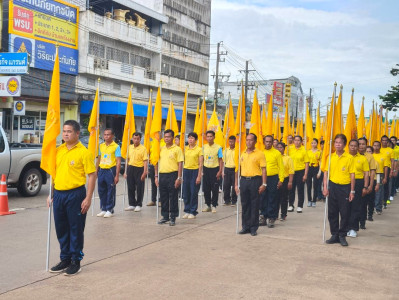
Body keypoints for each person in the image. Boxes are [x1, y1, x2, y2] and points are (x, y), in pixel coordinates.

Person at [48, 120, 96, 275]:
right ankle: (65, 259)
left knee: (75, 228)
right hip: (59, 194)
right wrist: (51, 193)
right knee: (61, 228)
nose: (66, 134)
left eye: (69, 131)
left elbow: (92, 175)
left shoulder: (84, 152)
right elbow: (53, 174)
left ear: (77, 133)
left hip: (76, 194)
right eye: (64, 131)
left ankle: (76, 260)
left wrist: (88, 198)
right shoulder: (58, 151)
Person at [323, 134, 355, 247]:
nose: (337, 144)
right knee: (332, 212)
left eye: (340, 142)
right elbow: (326, 173)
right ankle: (334, 234)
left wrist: (352, 191)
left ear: (344, 144)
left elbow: (352, 175)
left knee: (345, 212)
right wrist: (325, 187)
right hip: (333, 186)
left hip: (345, 187)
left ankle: (342, 235)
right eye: (336, 142)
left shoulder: (349, 158)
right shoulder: (330, 157)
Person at [235, 133, 267, 236]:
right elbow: (238, 170)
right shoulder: (243, 153)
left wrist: (264, 184)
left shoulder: (260, 154)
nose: (248, 142)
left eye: (251, 140)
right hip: (244, 180)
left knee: (254, 204)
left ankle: (253, 227)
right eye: (247, 140)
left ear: (255, 141)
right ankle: (245, 226)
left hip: (255, 180)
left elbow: (263, 170)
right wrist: (236, 184)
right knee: (245, 204)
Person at [155, 129, 183, 226]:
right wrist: (156, 176)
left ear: (173, 138)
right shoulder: (161, 149)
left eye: (168, 137)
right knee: (163, 197)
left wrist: (179, 177)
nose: (166, 138)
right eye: (165, 137)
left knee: (173, 196)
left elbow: (180, 163)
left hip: (173, 174)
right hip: (162, 174)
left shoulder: (177, 149)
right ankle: (165, 216)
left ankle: (173, 217)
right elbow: (156, 162)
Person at [95, 128, 121, 218]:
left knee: (110, 190)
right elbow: (99, 158)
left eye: (108, 134)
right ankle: (103, 208)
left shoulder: (116, 146)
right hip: (102, 170)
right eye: (105, 134)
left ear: (112, 136)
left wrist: (117, 175)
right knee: (101, 190)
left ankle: (110, 209)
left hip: (110, 170)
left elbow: (118, 161)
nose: (106, 136)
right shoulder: (101, 146)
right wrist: (96, 170)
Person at [260, 135, 284, 228]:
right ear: (264, 142)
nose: (268, 143)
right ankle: (263, 216)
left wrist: (281, 180)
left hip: (273, 178)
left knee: (272, 198)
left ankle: (271, 217)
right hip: (262, 178)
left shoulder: (277, 153)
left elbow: (281, 167)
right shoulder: (260, 152)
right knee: (263, 197)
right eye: (267, 141)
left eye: (270, 141)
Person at [347, 139, 369, 238]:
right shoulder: (345, 157)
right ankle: (346, 227)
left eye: (356, 146)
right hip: (346, 183)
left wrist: (365, 186)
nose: (353, 147)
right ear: (348, 146)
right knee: (346, 207)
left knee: (356, 206)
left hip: (358, 183)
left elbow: (366, 173)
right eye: (351, 145)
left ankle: (353, 228)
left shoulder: (363, 158)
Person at [124, 132, 148, 212]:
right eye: (134, 138)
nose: (136, 140)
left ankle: (139, 204)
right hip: (131, 168)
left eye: (138, 139)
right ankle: (132, 204)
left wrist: (145, 172)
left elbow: (145, 161)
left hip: (139, 168)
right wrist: (126, 171)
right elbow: (127, 159)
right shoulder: (129, 147)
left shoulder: (143, 148)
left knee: (140, 187)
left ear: (140, 139)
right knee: (130, 187)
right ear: (132, 139)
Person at [182, 132, 203, 219]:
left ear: (196, 140)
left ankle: (193, 211)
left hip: (195, 171)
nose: (190, 140)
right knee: (186, 192)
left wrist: (199, 176)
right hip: (186, 171)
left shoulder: (199, 150)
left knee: (193, 192)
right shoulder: (185, 149)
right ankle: (187, 210)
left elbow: (201, 164)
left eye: (192, 138)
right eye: (189, 138)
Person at [202, 130, 223, 213]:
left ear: (214, 137)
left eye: (211, 136)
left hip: (215, 169)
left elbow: (220, 160)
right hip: (206, 169)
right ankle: (208, 205)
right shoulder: (204, 147)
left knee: (214, 189)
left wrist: (220, 171)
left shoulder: (218, 147)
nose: (209, 138)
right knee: (206, 189)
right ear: (206, 137)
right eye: (208, 136)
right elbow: (202, 159)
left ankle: (214, 205)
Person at [288, 135, 309, 213]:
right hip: (291, 172)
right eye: (295, 140)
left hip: (300, 171)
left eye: (298, 140)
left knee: (300, 189)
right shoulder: (289, 149)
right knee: (291, 189)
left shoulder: (304, 150)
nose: (297, 142)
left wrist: (305, 174)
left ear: (301, 141)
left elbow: (306, 163)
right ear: (293, 141)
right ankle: (291, 204)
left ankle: (300, 206)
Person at [359, 139, 376, 227]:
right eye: (360, 144)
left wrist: (371, 185)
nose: (361, 146)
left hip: (366, 180)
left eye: (363, 144)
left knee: (363, 203)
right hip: (356, 180)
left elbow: (372, 171)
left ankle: (362, 222)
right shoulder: (354, 155)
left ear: (366, 145)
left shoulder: (370, 156)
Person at [276, 142, 294, 221]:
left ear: (284, 148)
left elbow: (291, 171)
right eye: (278, 147)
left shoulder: (288, 158)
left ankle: (283, 214)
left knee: (284, 198)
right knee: (275, 198)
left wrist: (290, 182)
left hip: (285, 179)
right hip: (275, 178)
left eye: (281, 147)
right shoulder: (275, 157)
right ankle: (274, 214)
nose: (279, 149)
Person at [372, 141, 389, 215]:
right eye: (374, 145)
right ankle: (371, 207)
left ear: (380, 146)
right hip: (371, 175)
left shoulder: (384, 156)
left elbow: (386, 167)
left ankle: (378, 208)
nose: (376, 147)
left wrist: (385, 177)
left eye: (377, 145)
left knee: (379, 192)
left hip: (380, 174)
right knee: (372, 192)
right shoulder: (370, 155)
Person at [307, 138, 321, 207]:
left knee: (315, 185)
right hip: (309, 168)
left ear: (317, 144)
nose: (313, 144)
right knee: (309, 185)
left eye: (315, 143)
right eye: (312, 143)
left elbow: (320, 162)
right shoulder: (308, 151)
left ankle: (314, 200)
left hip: (316, 168)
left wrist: (319, 172)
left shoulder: (319, 152)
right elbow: (306, 162)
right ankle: (309, 200)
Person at [223, 135, 237, 206]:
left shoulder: (237, 150)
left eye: (232, 142)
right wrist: (222, 171)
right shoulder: (225, 150)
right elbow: (223, 161)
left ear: (235, 141)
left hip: (234, 169)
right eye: (230, 141)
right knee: (226, 185)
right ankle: (226, 200)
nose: (231, 143)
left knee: (235, 186)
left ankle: (234, 201)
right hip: (227, 169)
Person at [380, 135, 394, 207]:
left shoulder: (390, 150)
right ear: (381, 141)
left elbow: (392, 161)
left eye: (386, 140)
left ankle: (385, 200)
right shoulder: (379, 149)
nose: (384, 142)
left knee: (386, 185)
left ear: (387, 142)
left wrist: (392, 171)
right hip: (379, 169)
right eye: (383, 140)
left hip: (387, 169)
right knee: (379, 186)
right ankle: (379, 200)